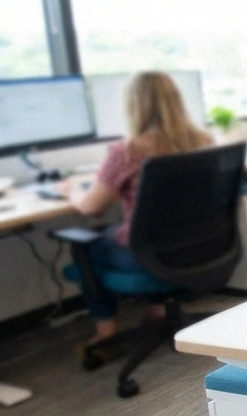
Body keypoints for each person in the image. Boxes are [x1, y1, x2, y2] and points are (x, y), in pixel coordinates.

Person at [64, 71, 213, 351]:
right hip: (197, 248)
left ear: (133, 106)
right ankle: (158, 310)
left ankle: (105, 331)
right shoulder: (203, 141)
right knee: (130, 233)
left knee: (85, 246)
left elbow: (91, 207)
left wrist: (70, 191)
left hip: (146, 256)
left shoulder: (127, 152)